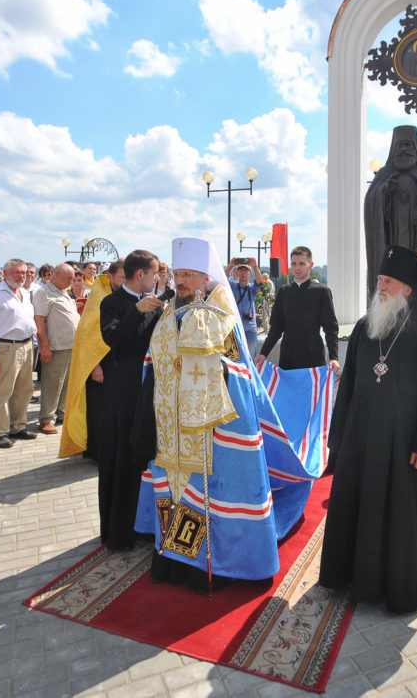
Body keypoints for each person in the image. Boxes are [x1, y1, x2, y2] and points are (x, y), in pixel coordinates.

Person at [135, 238, 327, 590]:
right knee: (175, 491)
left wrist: (212, 369)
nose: (180, 281)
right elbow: (153, 359)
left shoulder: (220, 310)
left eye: (188, 275)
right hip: (171, 426)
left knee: (206, 497)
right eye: (177, 274)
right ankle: (173, 559)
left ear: (204, 276)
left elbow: (237, 369)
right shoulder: (168, 311)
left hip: (214, 427)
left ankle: (210, 563)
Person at [319, 245, 417, 614]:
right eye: (379, 279)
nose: (379, 286)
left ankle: (404, 584)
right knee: (357, 507)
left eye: (388, 281)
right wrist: (340, 437)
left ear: (409, 288)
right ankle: (352, 576)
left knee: (402, 518)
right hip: (363, 441)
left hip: (404, 447)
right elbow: (348, 386)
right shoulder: (367, 327)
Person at [97, 249, 163, 549]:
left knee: (141, 459)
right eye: (154, 274)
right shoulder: (112, 302)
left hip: (146, 392)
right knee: (119, 460)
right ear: (141, 275)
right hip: (121, 392)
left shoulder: (155, 305)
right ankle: (117, 532)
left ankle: (142, 524)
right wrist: (136, 313)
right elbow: (112, 339)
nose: (157, 279)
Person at [363, 126, 417, 298]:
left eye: (408, 145)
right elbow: (372, 198)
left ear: (415, 148)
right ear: (394, 148)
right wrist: (384, 191)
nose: (404, 149)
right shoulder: (385, 173)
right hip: (392, 237)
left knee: (416, 268)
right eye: (400, 145)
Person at [59, 260, 123, 460]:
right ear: (110, 276)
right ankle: (97, 451)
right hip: (98, 365)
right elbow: (86, 335)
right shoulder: (100, 297)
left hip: (115, 363)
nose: (125, 281)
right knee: (98, 409)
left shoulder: (117, 295)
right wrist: (95, 366)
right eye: (122, 276)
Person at [0, 259, 37, 449]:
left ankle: (18, 426)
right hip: (5, 347)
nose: (21, 276)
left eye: (24, 272)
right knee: (2, 390)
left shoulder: (25, 294)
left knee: (24, 389)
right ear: (5, 273)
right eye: (17, 273)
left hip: (26, 345)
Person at [255, 246, 340, 373]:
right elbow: (276, 329)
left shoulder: (322, 292)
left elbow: (331, 328)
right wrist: (263, 353)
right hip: (288, 357)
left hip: (313, 356)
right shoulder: (284, 291)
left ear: (310, 265)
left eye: (302, 263)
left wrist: (334, 357)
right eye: (294, 264)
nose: (297, 267)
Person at [32, 263, 80, 435]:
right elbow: (39, 321)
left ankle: (61, 413)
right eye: (68, 278)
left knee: (66, 383)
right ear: (57, 274)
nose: (71, 281)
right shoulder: (44, 292)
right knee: (53, 384)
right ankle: (46, 419)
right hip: (56, 347)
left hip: (70, 345)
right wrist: (45, 346)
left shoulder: (63, 291)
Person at [227, 257, 260, 357]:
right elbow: (223, 279)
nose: (243, 273)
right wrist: (230, 266)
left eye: (246, 271)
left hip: (249, 330)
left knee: (250, 358)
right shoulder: (232, 286)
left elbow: (259, 282)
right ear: (237, 273)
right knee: (234, 358)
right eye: (241, 270)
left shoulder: (252, 289)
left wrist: (255, 267)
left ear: (250, 274)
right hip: (235, 328)